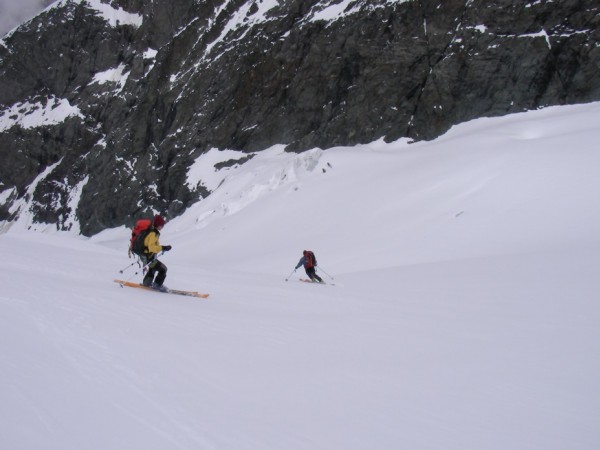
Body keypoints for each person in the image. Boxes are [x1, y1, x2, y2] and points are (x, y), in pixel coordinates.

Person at [141, 214, 172, 291]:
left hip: (147, 256)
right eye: (162, 225)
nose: (162, 226)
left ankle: (146, 283)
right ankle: (157, 285)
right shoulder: (153, 234)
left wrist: (163, 247)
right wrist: (162, 247)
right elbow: (152, 248)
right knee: (163, 269)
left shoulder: (152, 231)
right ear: (158, 225)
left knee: (152, 268)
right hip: (149, 257)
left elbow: (151, 246)